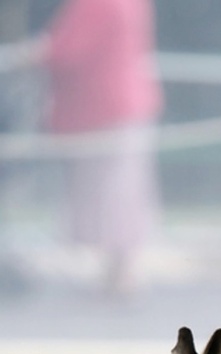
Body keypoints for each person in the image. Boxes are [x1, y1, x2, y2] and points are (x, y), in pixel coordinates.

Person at [32, 0, 163, 295]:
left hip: (105, 110)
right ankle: (119, 274)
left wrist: (39, 51)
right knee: (123, 193)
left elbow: (68, 50)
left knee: (115, 196)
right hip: (122, 106)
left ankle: (122, 276)